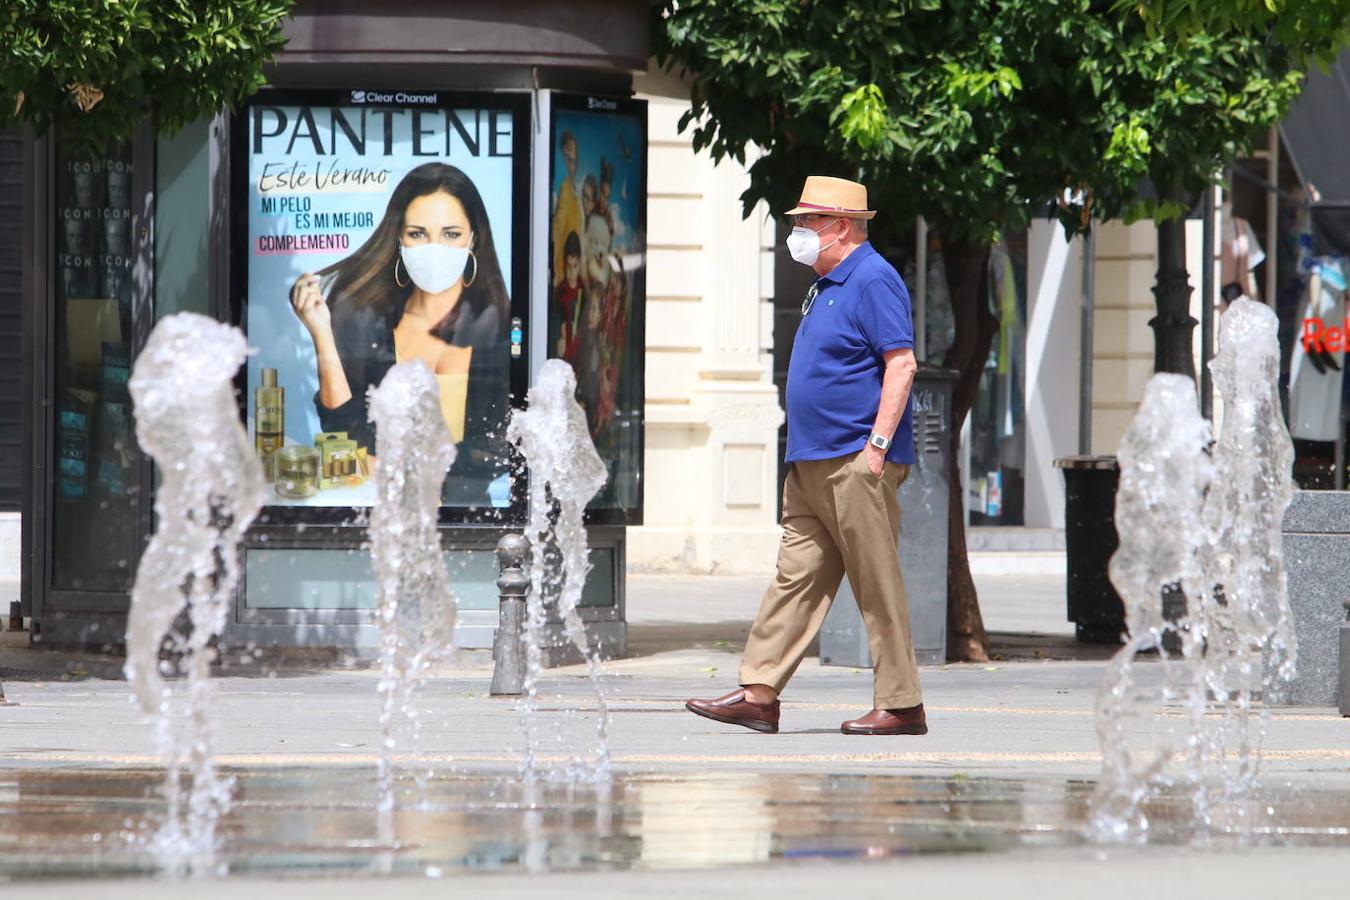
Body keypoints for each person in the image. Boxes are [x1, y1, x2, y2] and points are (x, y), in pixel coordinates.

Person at [686, 175, 925, 736]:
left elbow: (902, 364)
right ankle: (759, 693)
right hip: (812, 459)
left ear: (840, 225)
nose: (796, 232)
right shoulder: (826, 283)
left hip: (854, 460)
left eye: (805, 222)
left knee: (876, 583)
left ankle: (902, 704)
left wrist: (877, 450)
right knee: (794, 578)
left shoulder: (872, 278)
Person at [288, 162, 510, 503]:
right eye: (417, 233)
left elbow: (500, 444)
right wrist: (322, 335)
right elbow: (343, 434)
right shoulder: (368, 317)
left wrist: (409, 470)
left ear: (473, 238)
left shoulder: (498, 324)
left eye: (450, 234)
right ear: (400, 238)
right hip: (380, 514)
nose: (434, 247)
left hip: (469, 518)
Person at [551, 130, 582, 286]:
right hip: (562, 277)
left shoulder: (572, 192)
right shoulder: (563, 189)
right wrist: (556, 269)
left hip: (570, 278)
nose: (572, 162)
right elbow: (557, 229)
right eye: (568, 158)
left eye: (574, 159)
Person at [555, 230, 584, 360]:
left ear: (580, 263)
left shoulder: (584, 292)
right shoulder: (559, 293)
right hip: (563, 358)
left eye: (575, 266)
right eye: (568, 267)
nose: (572, 272)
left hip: (580, 357)